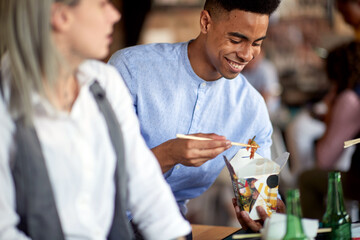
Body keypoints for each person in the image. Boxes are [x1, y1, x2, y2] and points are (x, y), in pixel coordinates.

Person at [0, 0, 191, 239]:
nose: (115, 15)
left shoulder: (105, 82)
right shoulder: (6, 103)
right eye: (102, 4)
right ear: (61, 15)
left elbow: (145, 184)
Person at [109, 0, 284, 232]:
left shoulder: (251, 108)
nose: (246, 54)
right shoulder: (131, 70)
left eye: (257, 43)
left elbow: (259, 195)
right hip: (104, 218)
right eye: (235, 40)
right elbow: (102, 171)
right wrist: (169, 153)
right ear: (205, 22)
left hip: (170, 227)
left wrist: (265, 210)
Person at [299, 37, 360, 219]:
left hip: (359, 181)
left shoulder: (349, 99)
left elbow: (324, 159)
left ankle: (317, 235)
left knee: (307, 179)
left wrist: (331, 116)